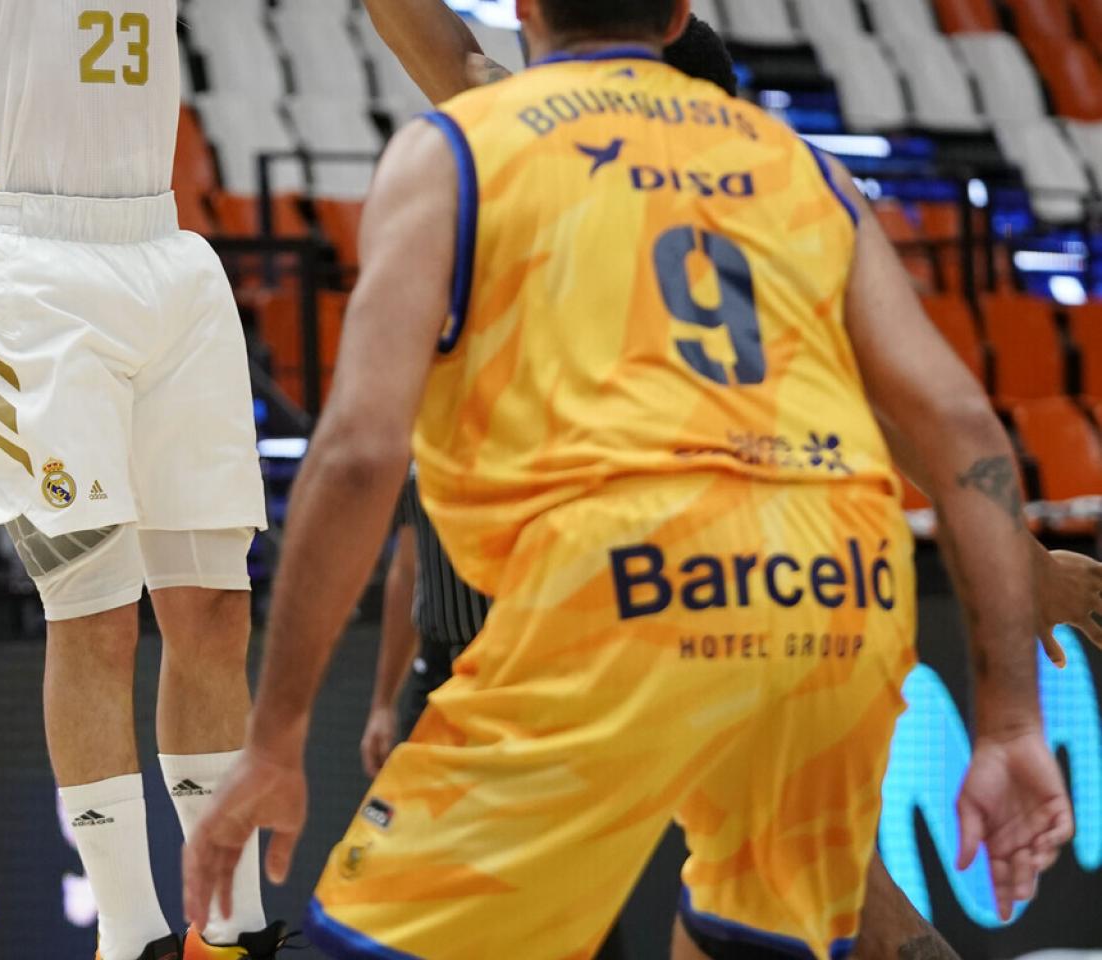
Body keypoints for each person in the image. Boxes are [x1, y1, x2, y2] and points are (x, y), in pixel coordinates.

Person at [184, 2, 1074, 958]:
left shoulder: (486, 136)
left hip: (620, 579)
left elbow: (360, 454)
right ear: (680, 12)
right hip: (834, 585)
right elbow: (956, 426)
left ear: (526, 10)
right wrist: (1012, 709)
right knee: (803, 929)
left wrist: (275, 736)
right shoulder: (798, 168)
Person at [0, 3, 283, 958]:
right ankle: (130, 938)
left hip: (167, 257)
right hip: (19, 261)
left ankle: (229, 931)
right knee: (98, 613)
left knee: (213, 610)